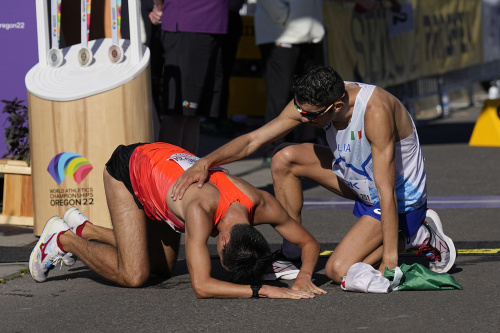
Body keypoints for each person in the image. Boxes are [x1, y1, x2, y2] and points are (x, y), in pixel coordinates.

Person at [169, 66, 457, 284]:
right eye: (299, 110)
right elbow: (253, 140)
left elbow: (385, 188)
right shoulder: (312, 102)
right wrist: (205, 161)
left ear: (338, 107)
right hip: (358, 178)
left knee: (338, 270)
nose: (302, 118)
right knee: (284, 157)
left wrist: (391, 263)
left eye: (310, 116)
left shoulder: (376, 111)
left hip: (395, 195)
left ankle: (415, 233)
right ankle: (292, 252)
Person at [29, 142, 326, 299]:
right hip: (129, 170)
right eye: (221, 259)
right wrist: (262, 290)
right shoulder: (200, 212)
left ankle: (85, 228)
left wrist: (303, 276)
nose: (218, 263)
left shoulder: (263, 204)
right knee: (134, 275)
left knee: (162, 267)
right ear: (222, 241)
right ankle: (62, 238)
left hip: (163, 174)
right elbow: (202, 286)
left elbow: (309, 243)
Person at [149, 0, 229, 155]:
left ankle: (187, 174)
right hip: (188, 25)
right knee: (178, 112)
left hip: (212, 25)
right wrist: (159, 6)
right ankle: (165, 175)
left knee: (194, 114)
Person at [254, 0, 326, 162]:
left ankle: (304, 140)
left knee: (310, 92)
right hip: (281, 34)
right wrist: (284, 16)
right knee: (279, 95)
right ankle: (274, 146)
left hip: (310, 33)